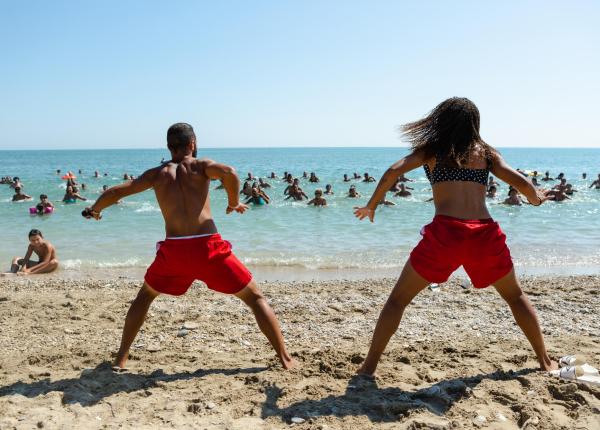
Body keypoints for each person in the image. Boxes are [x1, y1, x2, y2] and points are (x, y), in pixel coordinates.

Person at [353, 97, 557, 376]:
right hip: (484, 234)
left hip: (446, 233)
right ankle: (545, 361)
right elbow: (520, 181)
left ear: (440, 120)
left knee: (397, 301)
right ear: (475, 124)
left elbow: (392, 172)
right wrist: (536, 199)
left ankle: (369, 367)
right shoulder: (486, 154)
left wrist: (372, 205)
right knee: (516, 296)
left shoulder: (432, 150)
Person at [82, 123, 295, 371]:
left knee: (145, 297)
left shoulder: (157, 174)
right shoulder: (201, 166)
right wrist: (234, 202)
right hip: (208, 249)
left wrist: (95, 209)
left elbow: (118, 191)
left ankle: (120, 359)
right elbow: (229, 172)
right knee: (255, 298)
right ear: (192, 144)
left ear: (169, 147)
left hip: (174, 252)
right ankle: (285, 358)